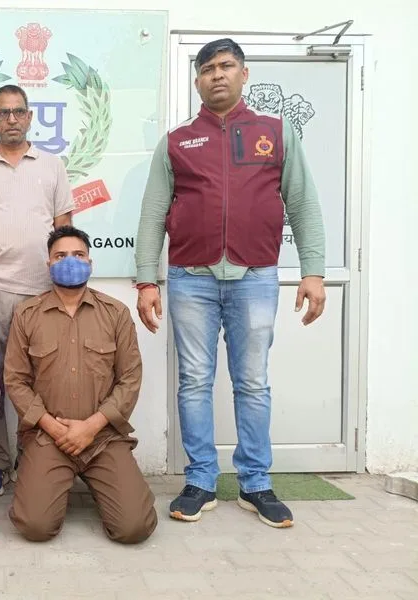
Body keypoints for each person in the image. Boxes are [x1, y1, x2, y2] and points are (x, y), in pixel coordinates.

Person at [135, 39, 326, 528]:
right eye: (207, 69)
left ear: (244, 74)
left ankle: (256, 483)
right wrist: (146, 280)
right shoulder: (177, 141)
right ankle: (201, 479)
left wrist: (313, 271)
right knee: (195, 381)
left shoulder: (275, 133)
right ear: (197, 80)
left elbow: (302, 203)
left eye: (226, 66)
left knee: (253, 382)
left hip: (255, 276)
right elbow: (153, 213)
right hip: (190, 279)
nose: (216, 74)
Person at [0, 84, 75, 497]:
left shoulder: (52, 166)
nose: (11, 119)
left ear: (29, 116)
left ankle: (35, 457)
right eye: (3, 112)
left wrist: (64, 283)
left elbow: (64, 228)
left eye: (18, 111)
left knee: (40, 377)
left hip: (42, 289)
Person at [4, 226, 157, 543]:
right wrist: (53, 427)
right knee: (34, 527)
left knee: (135, 528)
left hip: (103, 437)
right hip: (48, 437)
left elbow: (130, 378)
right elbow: (15, 380)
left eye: (78, 254)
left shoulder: (115, 313)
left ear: (90, 262)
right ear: (48, 264)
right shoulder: (27, 314)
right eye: (60, 256)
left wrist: (92, 426)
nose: (70, 261)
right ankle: (37, 470)